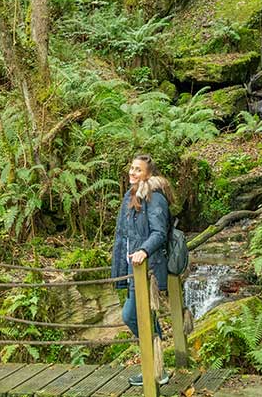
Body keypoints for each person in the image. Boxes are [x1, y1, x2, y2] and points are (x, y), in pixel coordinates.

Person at [111, 153, 172, 386]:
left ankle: (156, 368)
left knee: (131, 315)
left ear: (149, 174)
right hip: (133, 268)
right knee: (141, 317)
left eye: (138, 169)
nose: (132, 172)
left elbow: (159, 232)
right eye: (131, 168)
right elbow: (124, 235)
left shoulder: (154, 198)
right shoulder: (130, 195)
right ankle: (156, 368)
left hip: (148, 270)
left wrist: (144, 251)